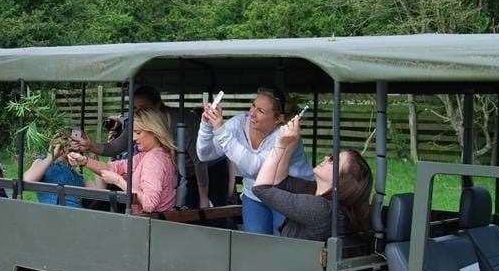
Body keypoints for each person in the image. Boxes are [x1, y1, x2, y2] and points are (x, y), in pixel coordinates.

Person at [74, 85, 217, 208]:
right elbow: (116, 149)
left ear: (157, 105)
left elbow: (200, 161)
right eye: (135, 108)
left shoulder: (183, 123)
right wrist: (88, 152)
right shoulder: (145, 151)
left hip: (205, 172)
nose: (137, 112)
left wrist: (203, 197)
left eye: (143, 108)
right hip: (175, 176)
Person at [197, 86, 314, 234]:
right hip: (255, 195)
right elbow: (205, 154)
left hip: (289, 196)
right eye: (253, 106)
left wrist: (221, 131)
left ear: (278, 119)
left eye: (261, 111)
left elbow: (254, 168)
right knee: (256, 244)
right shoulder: (239, 123)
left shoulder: (286, 134)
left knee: (283, 243)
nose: (252, 113)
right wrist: (206, 126)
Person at [252, 116, 372, 240]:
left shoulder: (321, 209)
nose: (326, 158)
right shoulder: (314, 190)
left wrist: (279, 144)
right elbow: (281, 183)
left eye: (332, 159)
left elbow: (260, 189)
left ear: (343, 180)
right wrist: (290, 144)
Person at [68, 108, 177, 215]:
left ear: (154, 132)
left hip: (151, 224)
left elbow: (149, 204)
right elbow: (114, 168)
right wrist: (84, 161)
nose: (133, 137)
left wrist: (118, 181)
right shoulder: (149, 155)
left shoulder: (154, 160)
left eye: (138, 132)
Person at [23, 130, 85, 207]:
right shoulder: (43, 163)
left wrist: (92, 157)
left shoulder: (75, 172)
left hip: (77, 215)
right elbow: (27, 180)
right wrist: (53, 156)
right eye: (69, 143)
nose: (73, 147)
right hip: (52, 213)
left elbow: (98, 188)